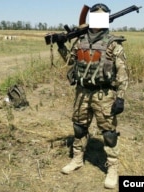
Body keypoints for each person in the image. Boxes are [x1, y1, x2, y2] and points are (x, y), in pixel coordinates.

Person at [57, 3, 129, 189]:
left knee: (109, 133)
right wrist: (60, 45)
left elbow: (122, 73)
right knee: (79, 127)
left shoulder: (113, 43)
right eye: (94, 16)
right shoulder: (80, 39)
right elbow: (70, 61)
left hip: (103, 94)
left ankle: (112, 168)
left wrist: (120, 97)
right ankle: (78, 159)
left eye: (101, 17)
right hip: (82, 92)